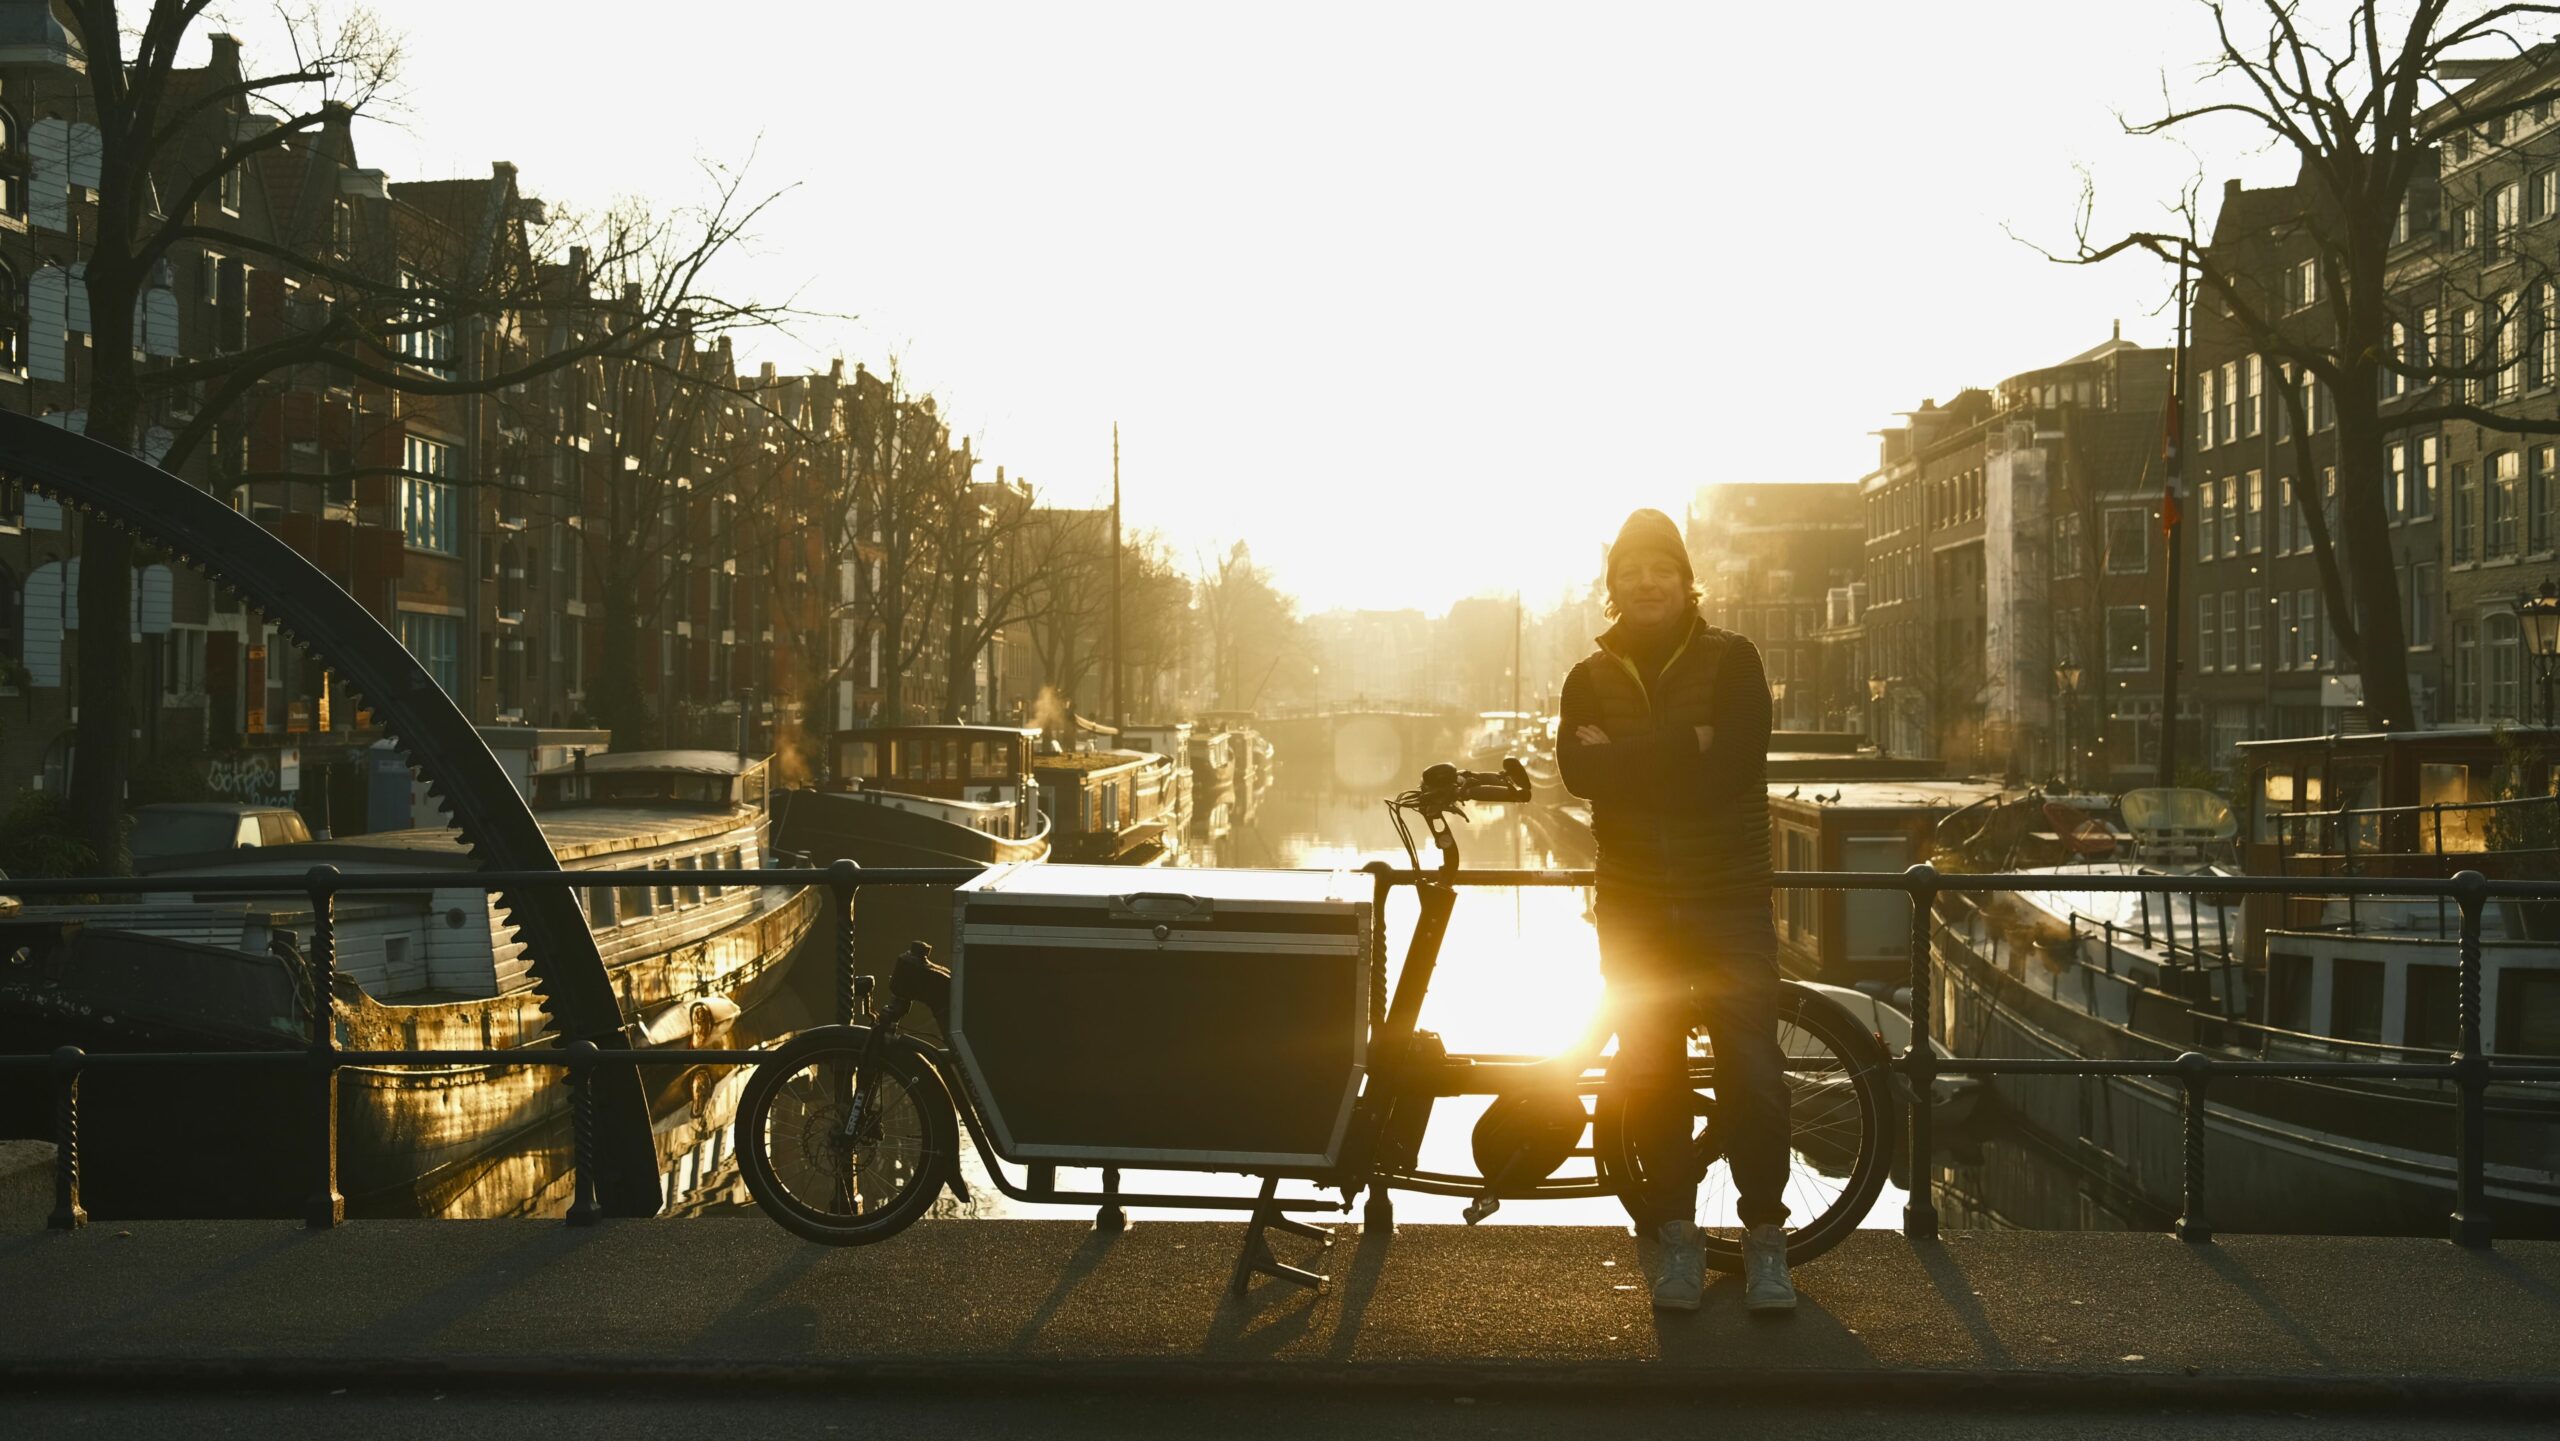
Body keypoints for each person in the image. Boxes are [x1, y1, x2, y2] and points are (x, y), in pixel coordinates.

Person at [1555, 507, 1793, 1315]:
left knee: (1753, 1071)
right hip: (1636, 905)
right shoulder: (1586, 676)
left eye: (1662, 567)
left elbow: (1732, 766)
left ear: (1686, 579)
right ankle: (1678, 1241)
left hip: (1725, 895)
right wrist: (1680, 743)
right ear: (1613, 584)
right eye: (1632, 569)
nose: (1648, 581)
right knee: (1651, 1073)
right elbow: (1579, 776)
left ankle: (1766, 1240)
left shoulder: (1734, 661)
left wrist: (1627, 757)